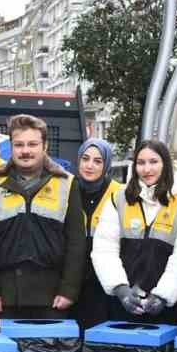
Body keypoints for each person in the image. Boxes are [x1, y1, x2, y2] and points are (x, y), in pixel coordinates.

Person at [0, 114, 85, 323]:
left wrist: (69, 290)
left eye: (33, 144)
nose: (25, 151)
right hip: (4, 297)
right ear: (11, 147)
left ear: (45, 146)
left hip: (53, 298)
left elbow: (76, 243)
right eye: (19, 145)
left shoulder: (67, 183)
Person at [91, 139, 177, 324]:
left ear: (165, 164)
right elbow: (104, 249)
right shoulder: (118, 200)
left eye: (153, 162)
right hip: (121, 304)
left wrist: (162, 296)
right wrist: (121, 289)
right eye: (141, 163)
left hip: (164, 311)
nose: (147, 169)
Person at [70, 137, 120, 329]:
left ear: (106, 164)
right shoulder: (67, 189)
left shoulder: (119, 194)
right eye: (85, 159)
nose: (89, 165)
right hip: (73, 280)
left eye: (97, 161)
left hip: (104, 284)